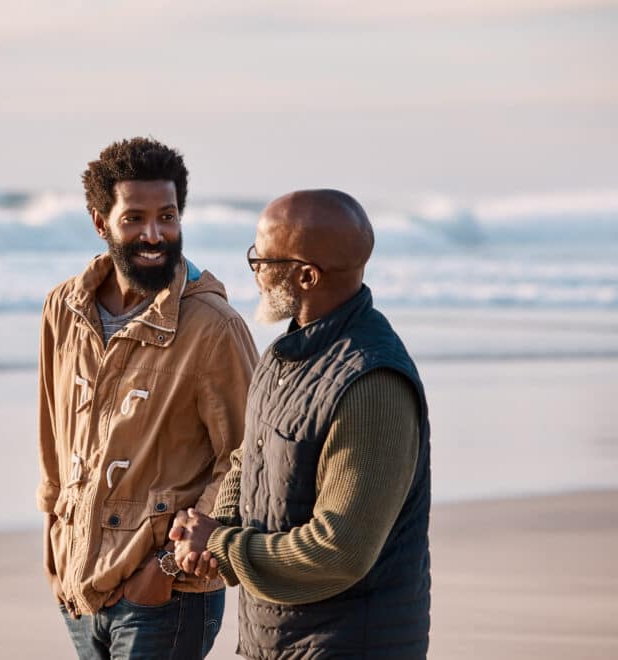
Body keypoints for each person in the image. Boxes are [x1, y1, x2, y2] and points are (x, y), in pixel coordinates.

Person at [170, 189, 432, 659]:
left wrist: (224, 546)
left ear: (307, 276)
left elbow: (340, 550)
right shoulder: (282, 356)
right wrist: (214, 531)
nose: (255, 273)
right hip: (274, 641)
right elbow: (249, 459)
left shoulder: (372, 384)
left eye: (263, 260)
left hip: (349, 645)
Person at [36, 137, 258, 659]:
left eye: (167, 216)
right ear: (100, 222)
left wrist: (165, 567)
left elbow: (249, 455)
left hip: (164, 594)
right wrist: (52, 537)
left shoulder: (213, 327)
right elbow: (54, 427)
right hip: (80, 583)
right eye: (134, 218)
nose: (154, 234)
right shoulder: (63, 309)